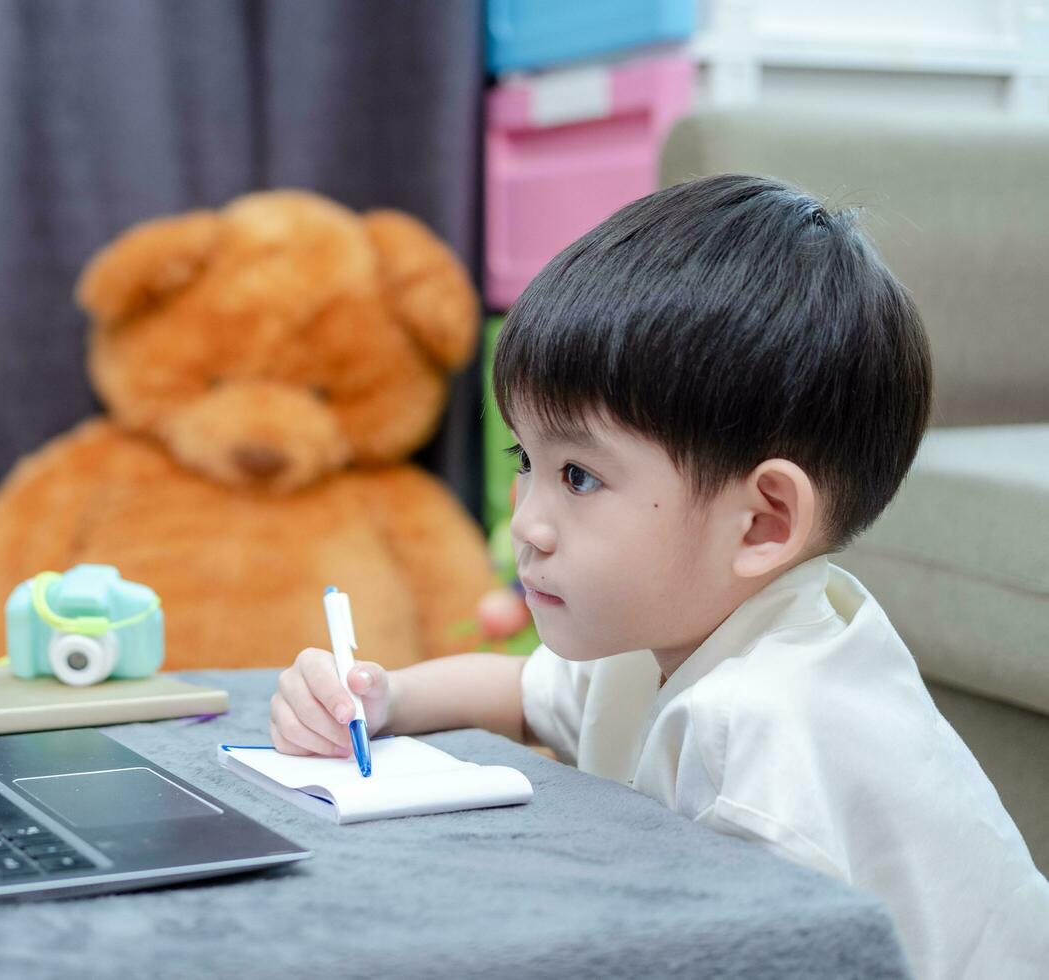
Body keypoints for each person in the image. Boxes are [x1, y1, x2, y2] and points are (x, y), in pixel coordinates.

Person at [269, 174, 1049, 979]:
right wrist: (385, 699)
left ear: (762, 523)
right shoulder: (666, 626)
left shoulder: (769, 738)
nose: (528, 523)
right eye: (525, 460)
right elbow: (524, 691)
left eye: (578, 477)